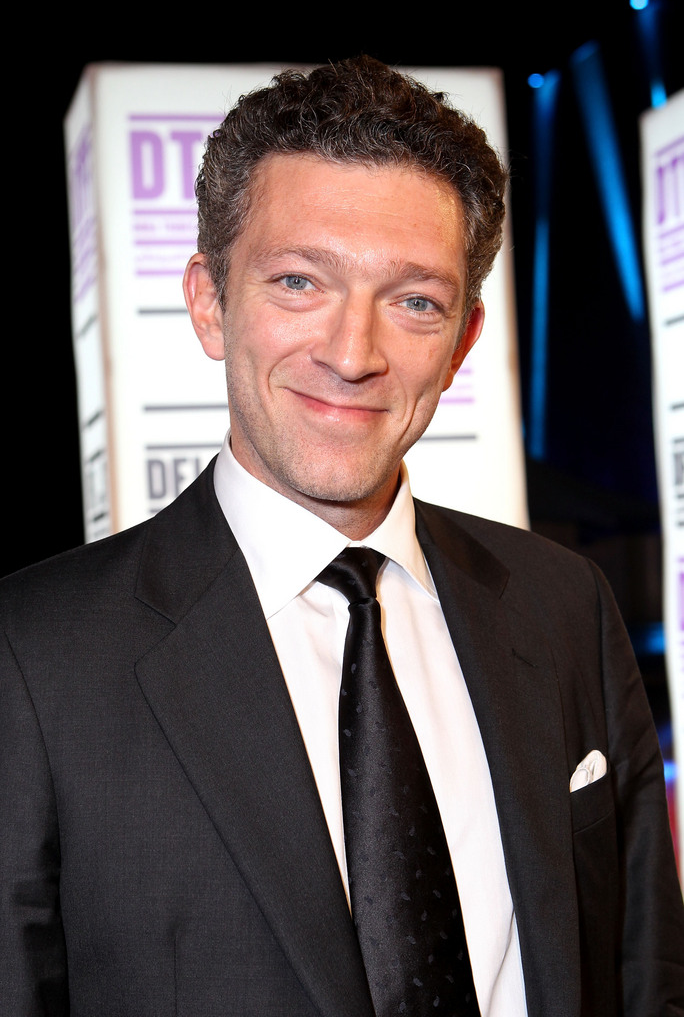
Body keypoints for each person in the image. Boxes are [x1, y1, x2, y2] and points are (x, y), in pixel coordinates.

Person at [1, 57, 682, 1017]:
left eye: (415, 301)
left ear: (463, 340)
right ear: (208, 301)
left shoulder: (562, 602)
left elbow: (643, 974)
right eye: (298, 282)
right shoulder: (35, 652)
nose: (353, 354)